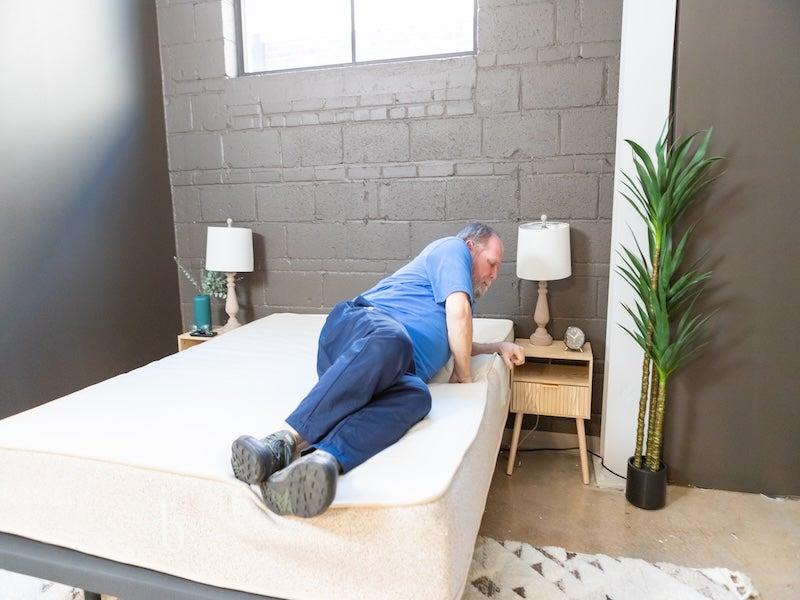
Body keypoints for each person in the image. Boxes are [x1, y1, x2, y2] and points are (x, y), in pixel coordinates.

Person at [230, 222, 525, 518]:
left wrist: (495, 346)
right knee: (393, 340)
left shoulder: (449, 297)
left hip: (392, 368)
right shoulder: (454, 248)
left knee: (418, 396)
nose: (494, 275)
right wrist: (464, 374)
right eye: (492, 263)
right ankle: (279, 443)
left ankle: (320, 464)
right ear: (471, 248)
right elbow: (458, 315)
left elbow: (456, 336)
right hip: (362, 329)